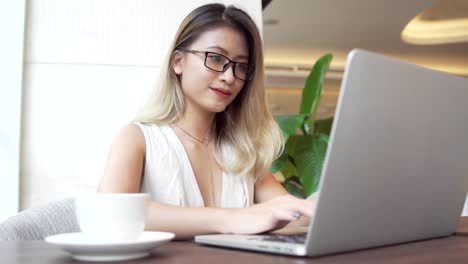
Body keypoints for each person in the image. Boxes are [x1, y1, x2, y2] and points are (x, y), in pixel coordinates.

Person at [98, 3, 315, 239]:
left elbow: (296, 217)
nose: (229, 76)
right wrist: (231, 219)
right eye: (215, 58)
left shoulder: (243, 152)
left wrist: (317, 204)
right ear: (178, 62)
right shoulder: (137, 138)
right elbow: (109, 214)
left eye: (241, 66)